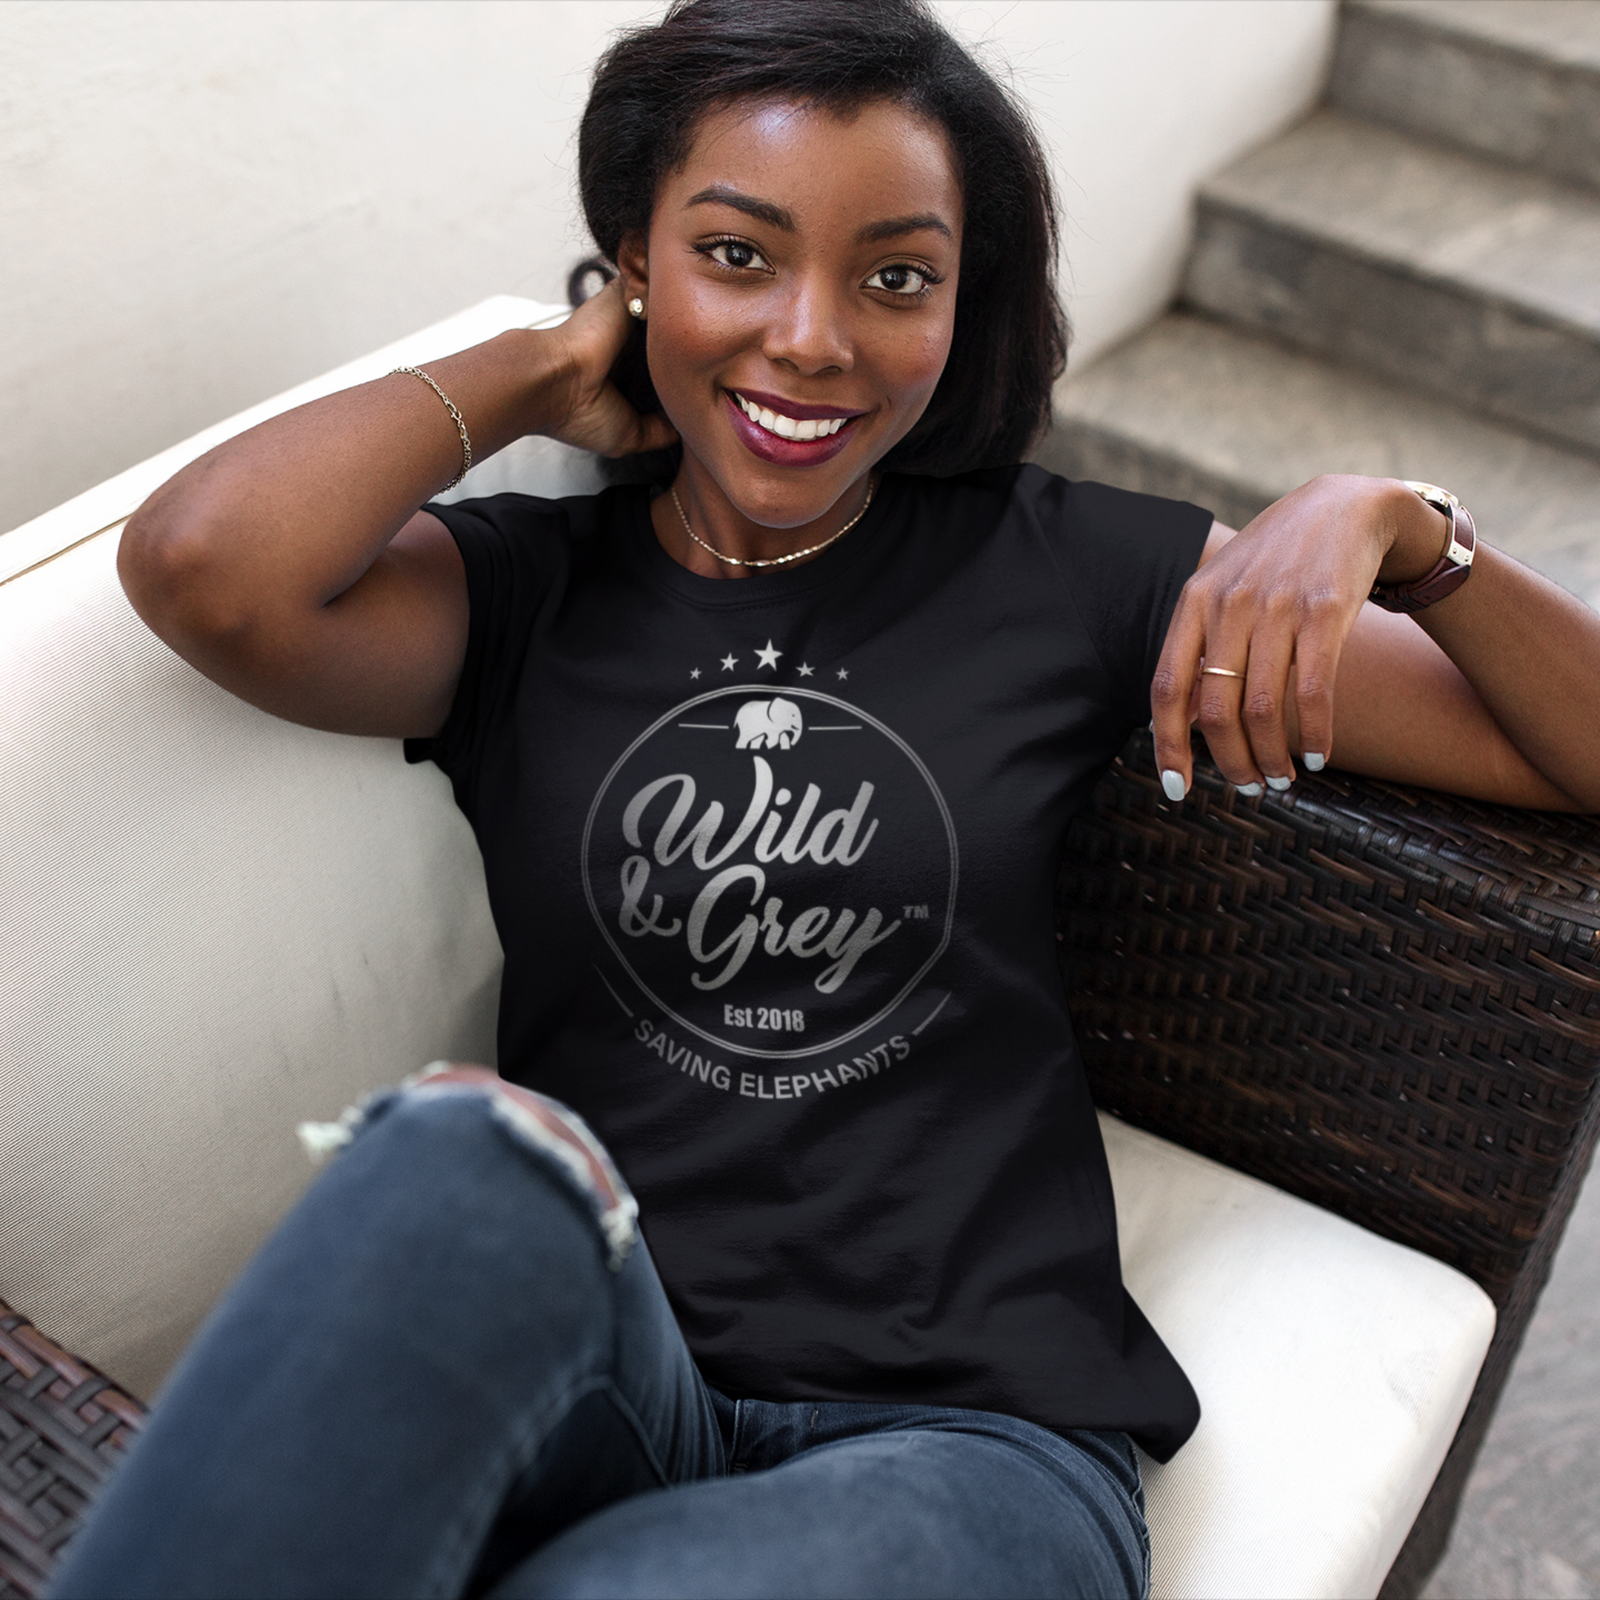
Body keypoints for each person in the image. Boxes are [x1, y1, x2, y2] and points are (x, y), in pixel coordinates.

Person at [48, 1, 1600, 1596]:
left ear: (956, 307)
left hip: (965, 1449)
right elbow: (206, 574)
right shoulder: (532, 597)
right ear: (637, 254)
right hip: (616, 1372)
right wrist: (536, 366)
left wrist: (1405, 529)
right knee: (462, 1152)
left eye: (896, 277)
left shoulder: (1057, 569)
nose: (813, 337)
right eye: (736, 255)